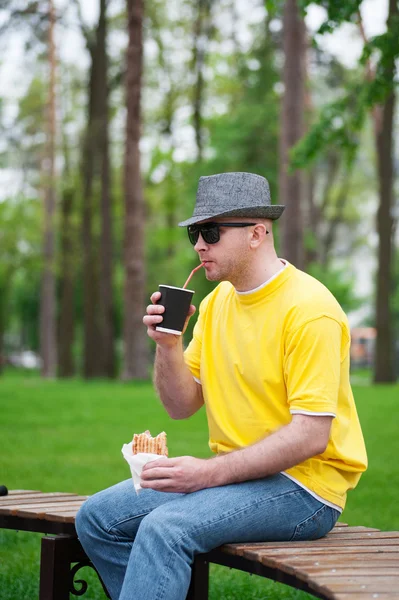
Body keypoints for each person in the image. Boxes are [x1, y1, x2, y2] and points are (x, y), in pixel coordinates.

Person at [76, 172, 367, 600]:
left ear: (257, 233)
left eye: (211, 232)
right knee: (97, 518)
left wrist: (207, 473)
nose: (198, 245)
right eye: (196, 232)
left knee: (165, 528)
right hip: (239, 475)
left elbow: (311, 434)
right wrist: (168, 345)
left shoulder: (310, 310)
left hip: (304, 489)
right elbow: (180, 405)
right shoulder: (215, 305)